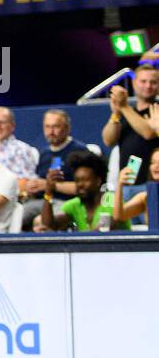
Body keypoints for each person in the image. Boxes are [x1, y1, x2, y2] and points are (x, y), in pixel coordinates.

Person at [102, 61, 158, 204]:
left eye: (153, 82)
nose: (148, 86)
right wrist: (115, 114)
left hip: (151, 185)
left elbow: (148, 133)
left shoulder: (156, 110)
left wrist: (124, 107)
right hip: (126, 184)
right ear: (134, 83)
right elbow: (108, 140)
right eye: (143, 81)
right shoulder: (126, 112)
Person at [42, 151, 128, 232]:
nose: (80, 185)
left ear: (98, 181)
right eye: (77, 180)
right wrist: (48, 193)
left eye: (85, 180)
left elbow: (101, 231)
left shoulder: (111, 200)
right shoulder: (75, 204)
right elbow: (49, 225)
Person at [111, 146, 159, 227]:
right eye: (152, 162)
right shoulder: (145, 197)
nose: (156, 166)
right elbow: (118, 216)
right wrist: (120, 185)